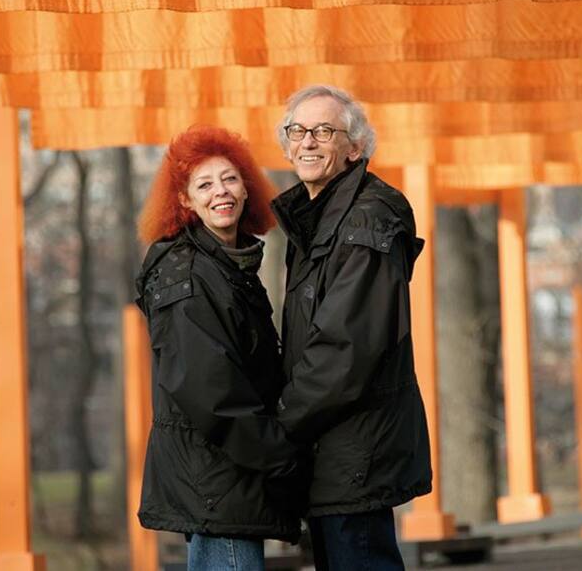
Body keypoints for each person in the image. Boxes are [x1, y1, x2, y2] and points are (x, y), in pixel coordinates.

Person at [271, 85, 432, 570]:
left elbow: (346, 350)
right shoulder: (318, 219)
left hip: (355, 450)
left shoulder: (367, 218)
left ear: (355, 148)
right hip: (331, 448)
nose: (308, 142)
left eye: (324, 131)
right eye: (297, 131)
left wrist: (281, 424)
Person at [134, 125, 301, 571]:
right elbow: (211, 393)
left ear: (247, 187)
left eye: (229, 179)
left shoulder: (229, 266)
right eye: (204, 185)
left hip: (232, 476)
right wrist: (282, 457)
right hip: (217, 480)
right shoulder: (186, 275)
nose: (220, 192)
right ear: (184, 201)